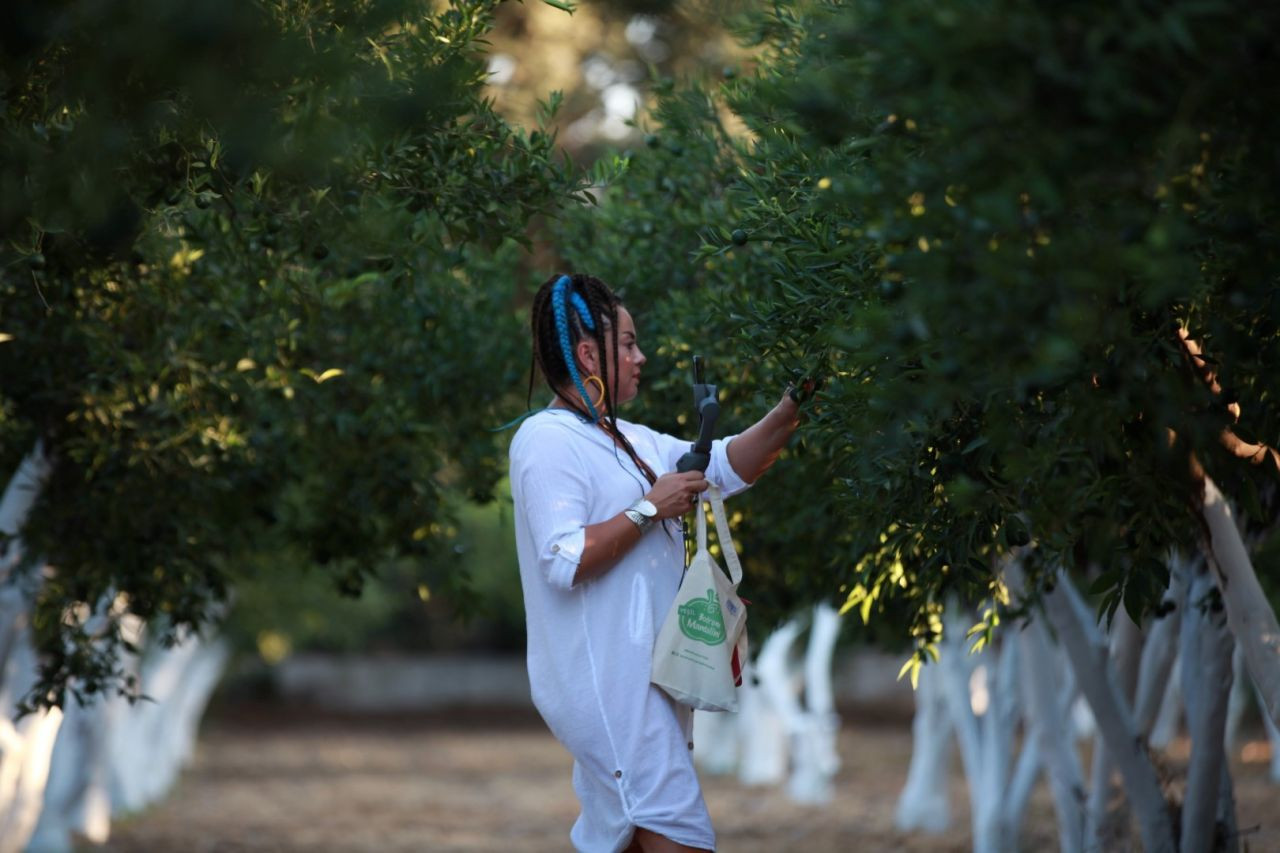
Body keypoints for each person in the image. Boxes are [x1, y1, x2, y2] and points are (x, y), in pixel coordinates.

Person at [509, 273, 805, 853]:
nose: (641, 357)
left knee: (624, 836)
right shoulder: (544, 441)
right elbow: (564, 561)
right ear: (590, 353)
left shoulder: (628, 439)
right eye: (628, 344)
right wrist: (650, 508)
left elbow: (723, 466)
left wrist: (793, 406)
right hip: (606, 685)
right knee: (679, 828)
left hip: (644, 679)